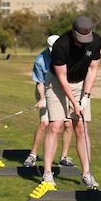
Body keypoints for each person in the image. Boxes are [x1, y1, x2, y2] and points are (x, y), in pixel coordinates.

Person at [42, 16, 101, 189]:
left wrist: (86, 96)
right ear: (73, 31)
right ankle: (47, 173)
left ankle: (87, 174)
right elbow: (61, 77)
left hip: (80, 84)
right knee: (55, 126)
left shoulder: (95, 40)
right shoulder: (61, 45)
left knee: (81, 128)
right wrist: (74, 103)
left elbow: (93, 69)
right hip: (57, 85)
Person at [23, 35, 75, 172]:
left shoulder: (67, 55)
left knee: (68, 124)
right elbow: (40, 82)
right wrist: (42, 98)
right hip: (45, 90)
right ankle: (32, 154)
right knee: (45, 123)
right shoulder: (40, 60)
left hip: (64, 90)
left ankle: (63, 157)